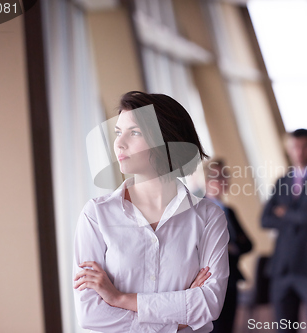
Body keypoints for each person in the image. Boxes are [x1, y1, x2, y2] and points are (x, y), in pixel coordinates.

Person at [72, 91, 230, 333]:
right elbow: (91, 315)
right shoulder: (96, 216)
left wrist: (120, 299)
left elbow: (209, 305)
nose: (119, 143)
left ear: (166, 140)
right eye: (118, 132)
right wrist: (179, 319)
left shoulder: (208, 218)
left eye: (133, 132)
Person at [261, 129, 307, 333]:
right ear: (288, 149)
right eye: (295, 147)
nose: (299, 152)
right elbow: (265, 219)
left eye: (304, 146)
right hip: (282, 267)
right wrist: (298, 216)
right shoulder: (281, 181)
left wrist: (284, 213)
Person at [204, 159, 253, 333]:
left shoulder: (229, 210)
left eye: (225, 176)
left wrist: (232, 247)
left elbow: (248, 244)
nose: (223, 181)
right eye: (217, 177)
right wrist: (231, 245)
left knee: (228, 327)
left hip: (231, 279)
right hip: (210, 281)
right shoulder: (198, 210)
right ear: (207, 181)